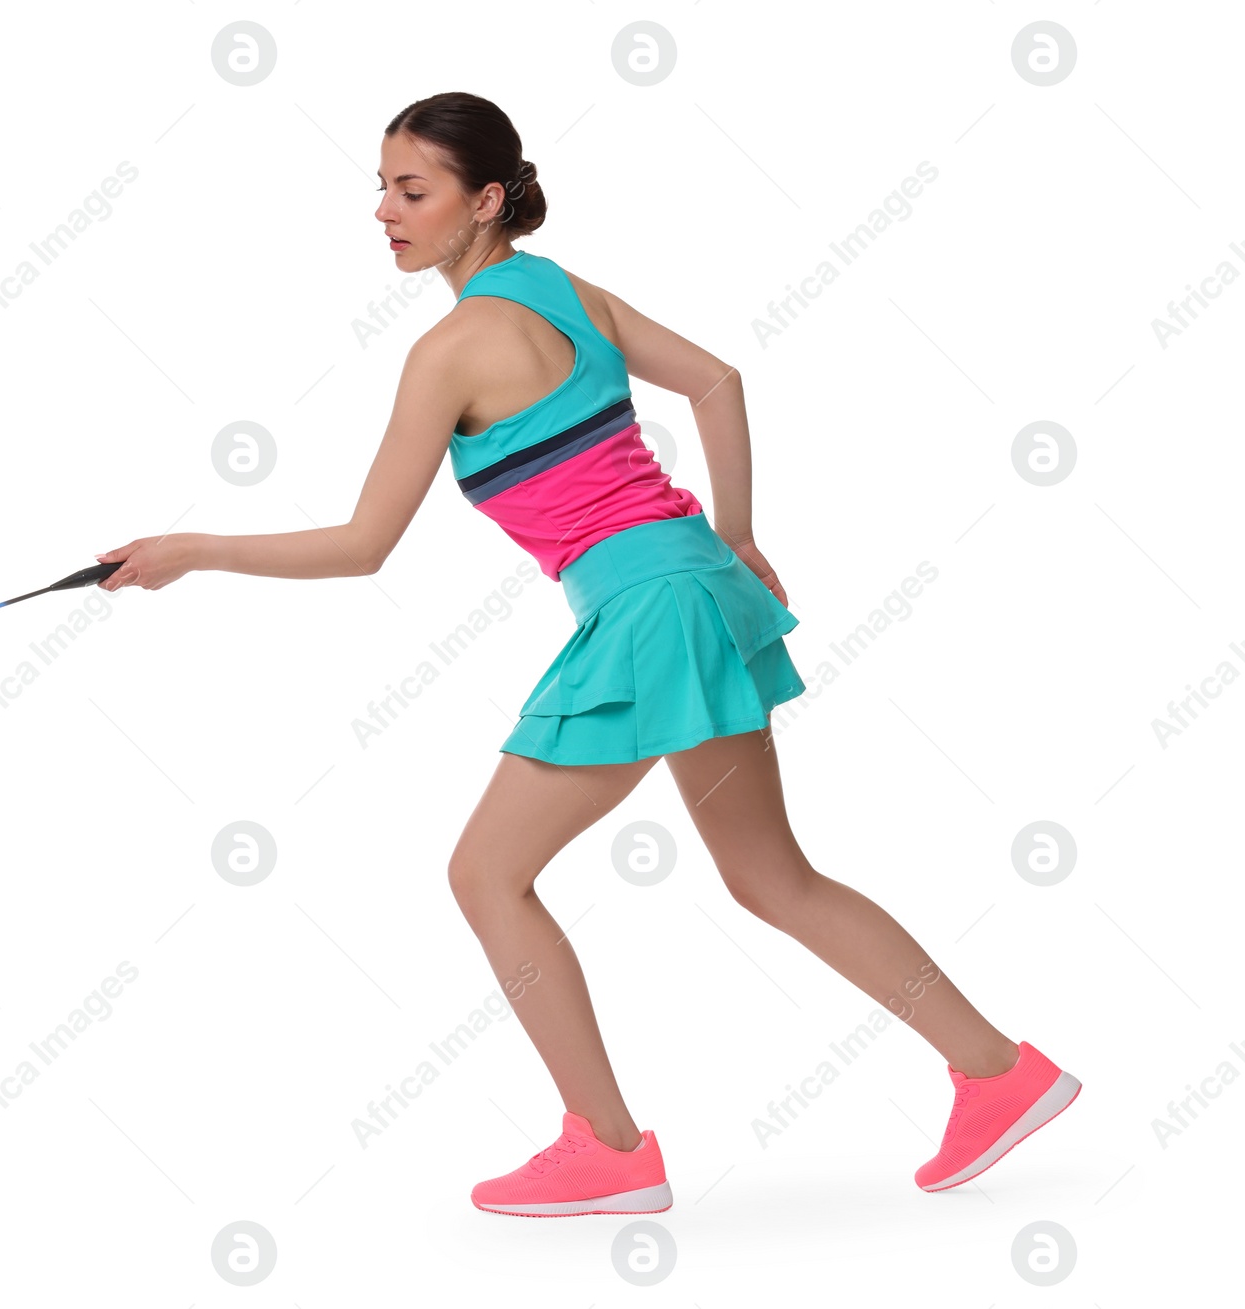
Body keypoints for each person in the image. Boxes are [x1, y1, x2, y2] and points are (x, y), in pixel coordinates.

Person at [94, 91, 1081, 1218]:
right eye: (379, 187)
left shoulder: (450, 349)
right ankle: (1002, 1073)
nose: (383, 211)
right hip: (695, 586)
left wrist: (191, 549)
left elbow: (365, 544)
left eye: (410, 190)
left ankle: (607, 1147)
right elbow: (717, 379)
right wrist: (737, 533)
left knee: (485, 873)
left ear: (487, 200)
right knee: (770, 874)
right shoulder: (568, 293)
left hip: (647, 612)